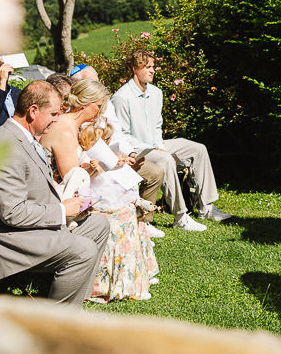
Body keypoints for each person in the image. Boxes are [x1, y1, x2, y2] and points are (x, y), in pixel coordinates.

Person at [0, 80, 109, 305]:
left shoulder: (23, 138)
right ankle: (54, 319)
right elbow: (12, 213)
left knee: (98, 225)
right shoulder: (4, 146)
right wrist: (62, 210)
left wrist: (70, 205)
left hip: (31, 227)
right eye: (54, 113)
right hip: (6, 240)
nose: (57, 119)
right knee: (82, 249)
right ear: (33, 111)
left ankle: (72, 302)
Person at [42, 79, 158, 302]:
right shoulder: (65, 129)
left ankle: (127, 279)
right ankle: (104, 284)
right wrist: (102, 166)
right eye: (98, 106)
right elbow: (73, 179)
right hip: (62, 198)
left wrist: (111, 162)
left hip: (74, 190)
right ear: (84, 104)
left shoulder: (72, 126)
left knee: (125, 202)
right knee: (120, 210)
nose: (100, 112)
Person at [112, 49, 228, 231]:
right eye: (147, 67)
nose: (153, 70)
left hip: (157, 144)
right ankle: (180, 216)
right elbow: (123, 135)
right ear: (135, 68)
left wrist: (159, 146)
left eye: (153, 67)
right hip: (138, 150)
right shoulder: (121, 97)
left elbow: (157, 126)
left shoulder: (156, 93)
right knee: (166, 160)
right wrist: (154, 150)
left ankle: (206, 207)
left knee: (198, 149)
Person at [70, 63, 164, 237]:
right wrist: (112, 159)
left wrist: (130, 154)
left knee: (153, 172)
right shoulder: (74, 116)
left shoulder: (105, 103)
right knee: (115, 182)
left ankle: (142, 221)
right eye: (92, 84)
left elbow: (118, 133)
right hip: (95, 165)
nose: (99, 88)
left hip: (117, 156)